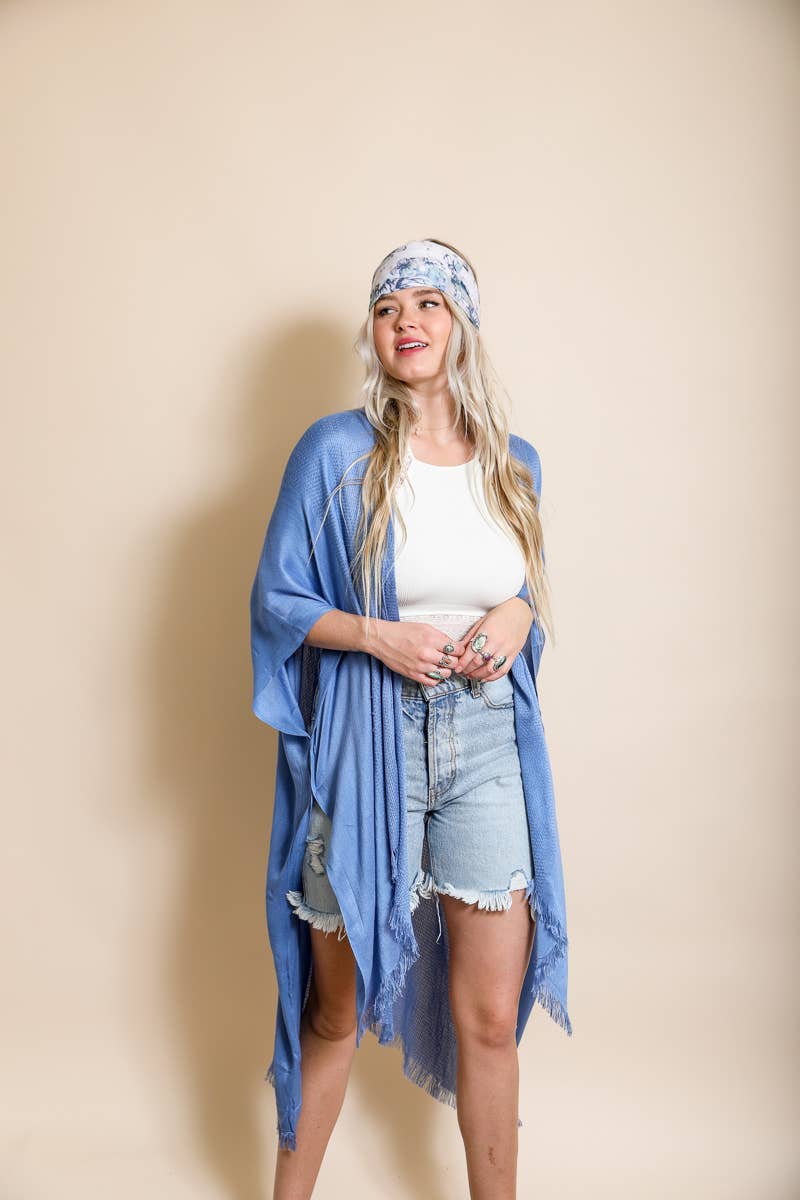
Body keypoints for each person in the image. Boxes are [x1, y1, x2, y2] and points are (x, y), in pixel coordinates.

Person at [249, 237, 572, 1199]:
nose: (408, 323)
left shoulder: (517, 466)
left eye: (429, 304)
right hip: (368, 741)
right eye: (390, 308)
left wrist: (519, 612)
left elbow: (524, 597)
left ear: (461, 325)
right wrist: (380, 639)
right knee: (334, 1012)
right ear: (375, 332)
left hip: (483, 746)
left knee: (488, 1017)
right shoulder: (336, 452)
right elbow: (279, 600)